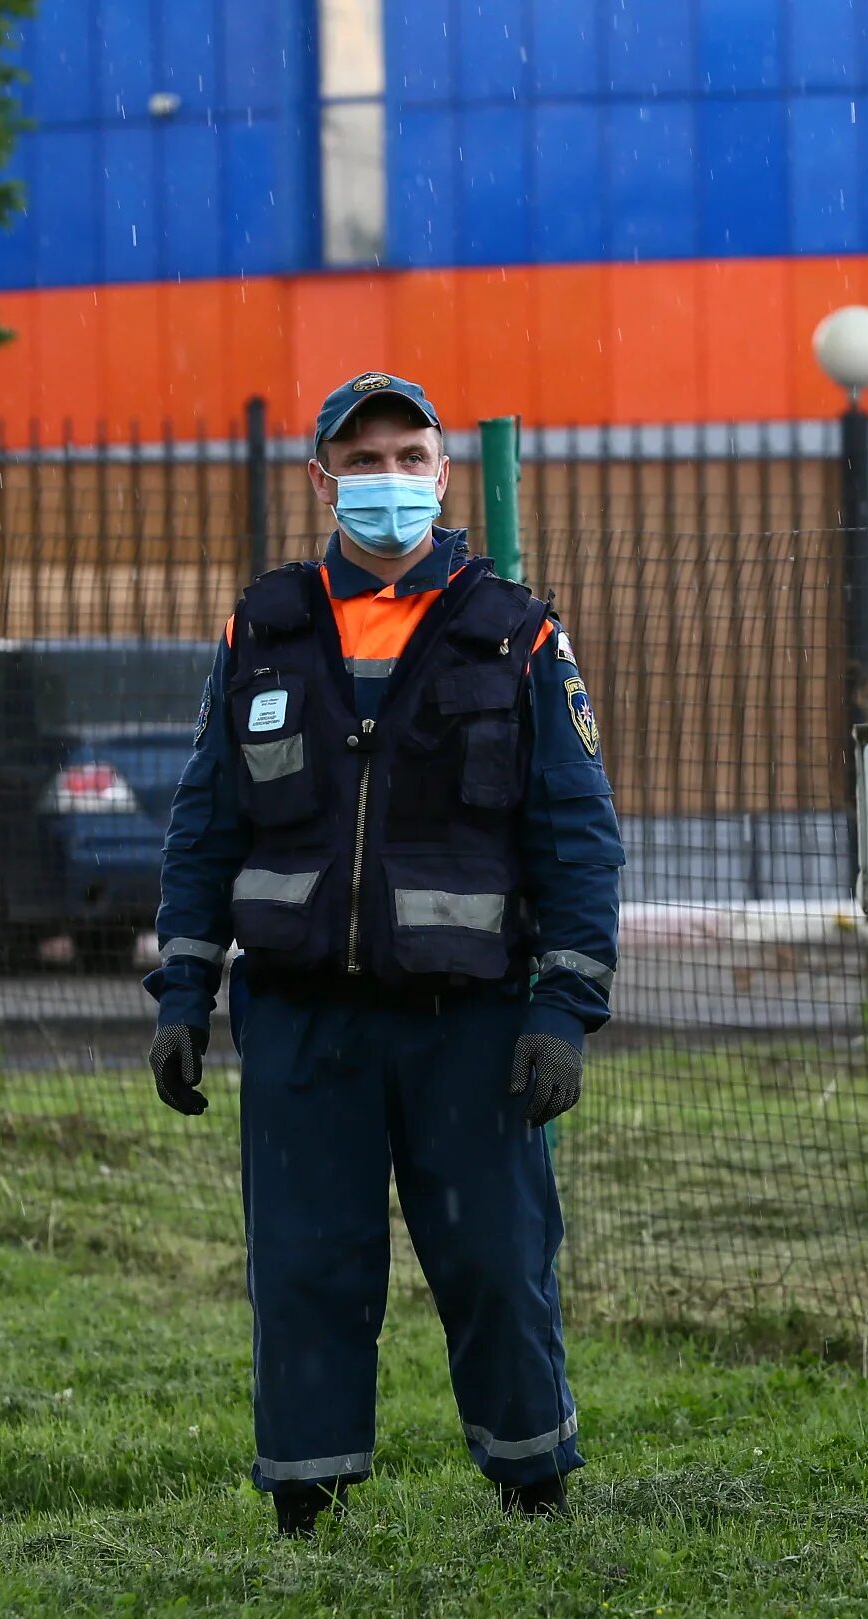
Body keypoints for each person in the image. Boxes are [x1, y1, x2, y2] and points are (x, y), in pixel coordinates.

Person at [146, 372, 625, 1536]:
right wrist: (181, 991)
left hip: (470, 1025)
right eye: (364, 462)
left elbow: (577, 837)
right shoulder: (261, 628)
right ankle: (305, 1501)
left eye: (412, 458)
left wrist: (562, 1012)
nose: (390, 482)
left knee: (498, 1263)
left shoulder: (515, 633)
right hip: (303, 1021)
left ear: (445, 476)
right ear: (322, 483)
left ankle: (535, 1487)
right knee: (305, 1271)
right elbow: (207, 822)